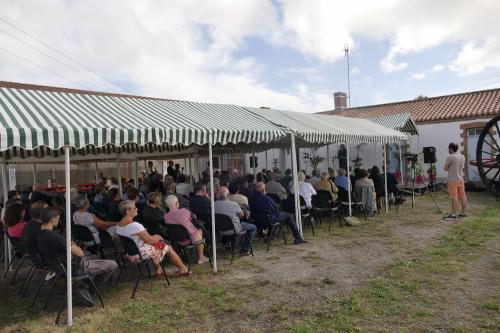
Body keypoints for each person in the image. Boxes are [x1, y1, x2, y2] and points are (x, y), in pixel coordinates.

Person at [37, 207, 118, 286]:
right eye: (58, 219)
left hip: (58, 268)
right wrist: (73, 245)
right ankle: (90, 286)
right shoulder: (55, 237)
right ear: (52, 219)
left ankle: (85, 284)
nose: (59, 221)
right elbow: (80, 253)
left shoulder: (39, 236)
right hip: (73, 268)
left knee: (96, 257)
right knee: (113, 264)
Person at [116, 200, 190, 276]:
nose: (137, 209)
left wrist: (156, 237)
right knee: (168, 247)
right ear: (127, 211)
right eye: (134, 208)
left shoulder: (119, 225)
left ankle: (159, 268)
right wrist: (158, 237)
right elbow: (150, 240)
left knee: (159, 242)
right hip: (141, 254)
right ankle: (183, 269)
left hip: (131, 254)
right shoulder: (135, 226)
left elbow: (136, 239)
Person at [164, 195, 209, 264]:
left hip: (178, 241)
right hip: (190, 239)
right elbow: (194, 221)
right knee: (199, 230)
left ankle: (199, 255)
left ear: (167, 206)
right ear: (177, 203)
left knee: (196, 232)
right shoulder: (184, 211)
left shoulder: (166, 217)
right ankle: (201, 256)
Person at [214, 187, 256, 256]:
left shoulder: (213, 205)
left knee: (232, 224)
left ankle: (230, 245)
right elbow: (242, 215)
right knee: (253, 227)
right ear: (227, 195)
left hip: (220, 229)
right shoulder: (234, 204)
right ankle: (245, 250)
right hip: (234, 228)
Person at [444, 142, 467, 221]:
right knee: (463, 196)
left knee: (454, 197)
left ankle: (453, 215)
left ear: (450, 149)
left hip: (452, 180)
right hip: (461, 179)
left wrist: (449, 166)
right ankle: (463, 213)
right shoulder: (462, 156)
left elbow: (445, 169)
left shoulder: (450, 157)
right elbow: (462, 167)